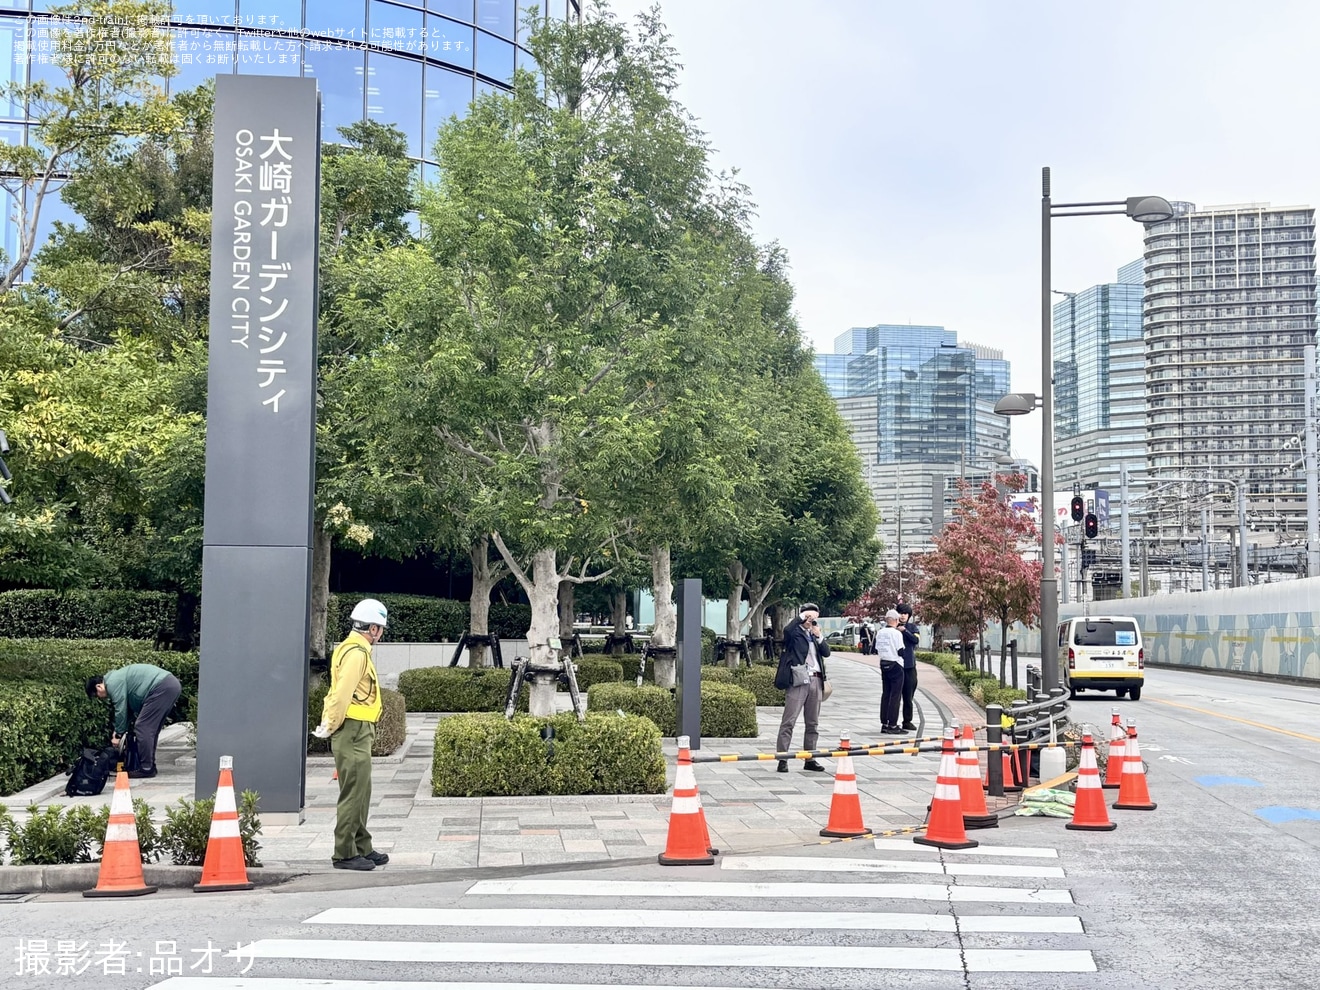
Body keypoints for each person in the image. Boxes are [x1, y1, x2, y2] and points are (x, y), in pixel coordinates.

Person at [312, 598, 390, 871]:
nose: (380, 634)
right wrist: (331, 723)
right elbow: (342, 693)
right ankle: (345, 853)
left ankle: (361, 846)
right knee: (353, 791)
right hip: (353, 729)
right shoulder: (356, 653)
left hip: (359, 728)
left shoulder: (355, 649)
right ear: (372, 628)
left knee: (362, 790)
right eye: (380, 628)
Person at [85, 663, 182, 780]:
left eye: (97, 695)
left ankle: (146, 768)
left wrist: (119, 734)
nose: (100, 698)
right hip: (169, 685)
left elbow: (120, 709)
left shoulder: (112, 683)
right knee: (150, 729)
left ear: (99, 687)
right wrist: (118, 731)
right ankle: (150, 765)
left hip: (161, 687)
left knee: (143, 727)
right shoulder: (116, 678)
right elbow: (128, 711)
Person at [773, 602, 830, 773]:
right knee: (789, 721)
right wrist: (801, 618)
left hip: (816, 680)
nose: (810, 621)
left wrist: (819, 636)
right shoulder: (795, 632)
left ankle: (810, 758)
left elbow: (826, 652)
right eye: (808, 617)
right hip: (798, 679)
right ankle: (783, 758)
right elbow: (787, 631)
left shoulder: (814, 634)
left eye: (814, 618)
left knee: (812, 723)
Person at [875, 610, 906, 734]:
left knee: (886, 694)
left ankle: (884, 723)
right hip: (895, 664)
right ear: (896, 620)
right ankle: (893, 724)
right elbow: (900, 651)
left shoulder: (880, 632)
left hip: (883, 663)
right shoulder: (896, 633)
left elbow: (876, 648)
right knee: (895, 695)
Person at [896, 602, 921, 731]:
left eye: (905, 613)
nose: (903, 616)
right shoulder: (892, 627)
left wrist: (905, 631)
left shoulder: (912, 627)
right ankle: (891, 721)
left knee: (908, 695)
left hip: (909, 666)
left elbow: (916, 640)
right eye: (901, 613)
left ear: (909, 615)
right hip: (895, 665)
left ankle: (907, 720)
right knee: (894, 695)